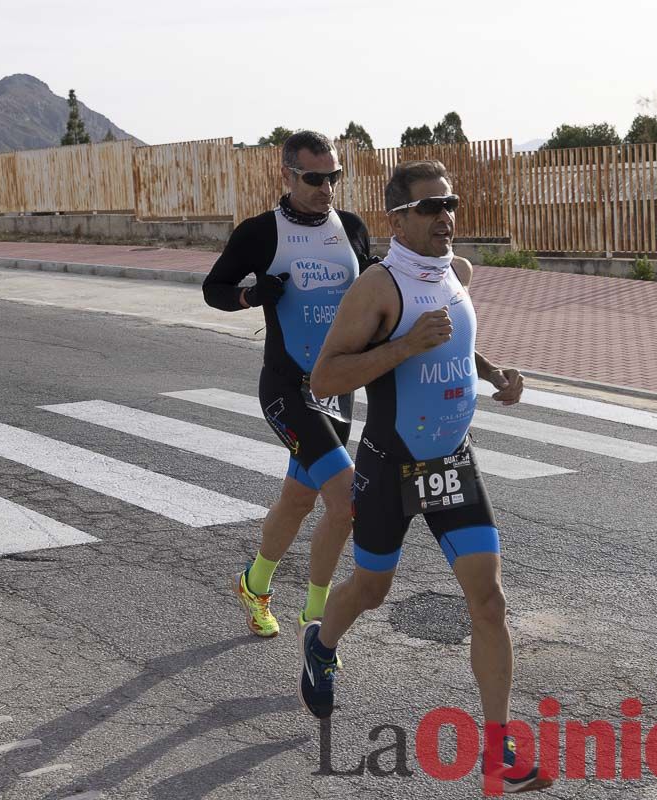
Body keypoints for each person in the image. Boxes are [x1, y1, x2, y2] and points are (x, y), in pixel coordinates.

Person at [302, 160, 553, 793]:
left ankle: (497, 751)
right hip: (390, 468)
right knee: (371, 588)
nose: (447, 217)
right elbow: (324, 379)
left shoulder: (456, 274)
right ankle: (322, 645)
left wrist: (496, 375)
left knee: (489, 602)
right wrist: (404, 347)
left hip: (452, 463)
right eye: (432, 207)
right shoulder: (376, 289)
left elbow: (454, 341)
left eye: (452, 205)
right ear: (399, 219)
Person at [202, 130, 373, 643]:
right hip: (287, 388)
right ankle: (315, 620)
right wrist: (252, 294)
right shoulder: (261, 232)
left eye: (334, 177)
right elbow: (214, 289)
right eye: (314, 178)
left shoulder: (352, 228)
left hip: (337, 389)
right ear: (287, 174)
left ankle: (254, 584)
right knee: (347, 501)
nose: (327, 188)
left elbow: (374, 293)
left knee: (300, 503)